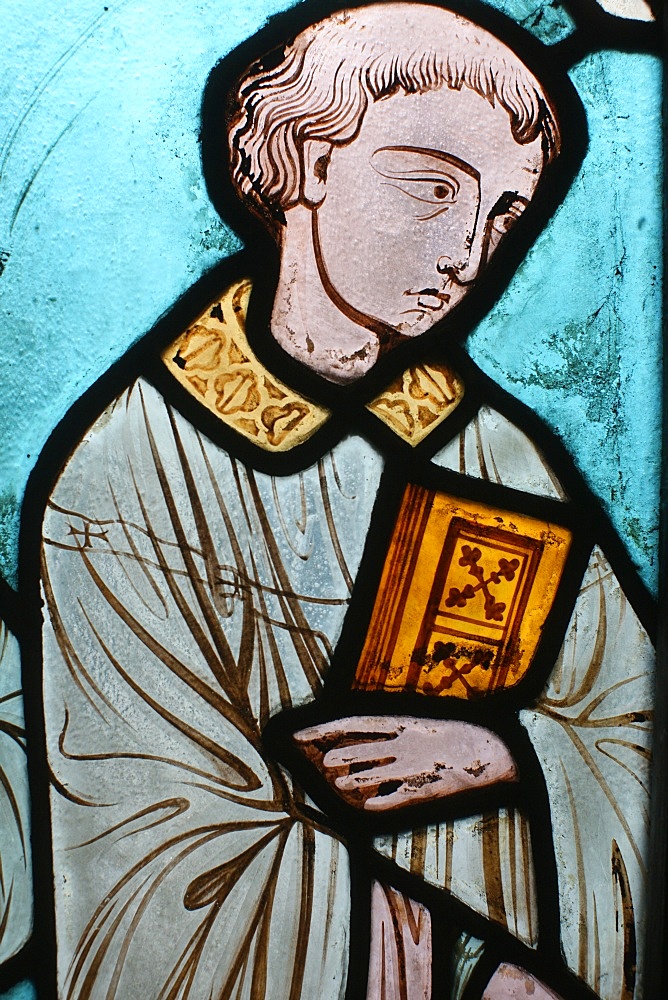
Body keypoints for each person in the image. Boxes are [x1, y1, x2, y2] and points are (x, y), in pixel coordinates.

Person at [40, 5, 653, 998]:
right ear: (307, 162)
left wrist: (503, 756)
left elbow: (628, 726)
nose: (467, 250)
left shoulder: (496, 454)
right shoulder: (130, 467)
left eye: (502, 211)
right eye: (430, 187)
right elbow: (148, 855)